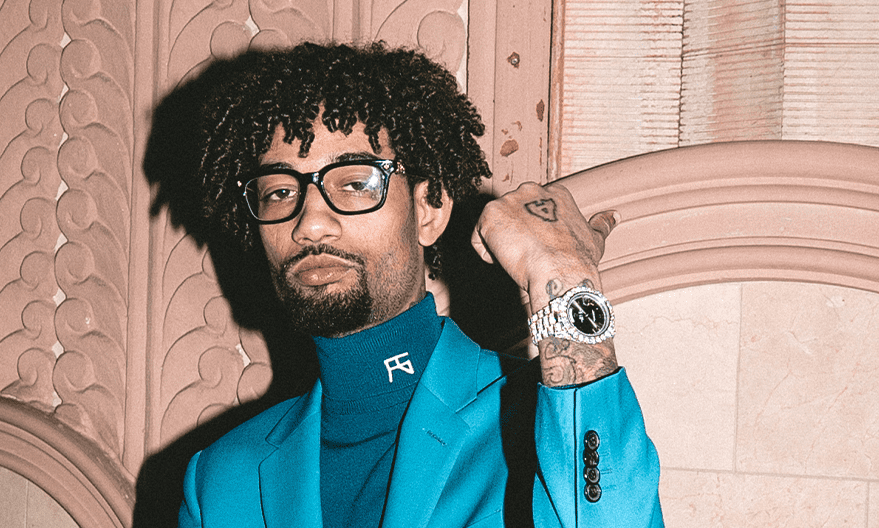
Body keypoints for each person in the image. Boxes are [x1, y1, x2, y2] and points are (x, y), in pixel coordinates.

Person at [173, 41, 663, 527]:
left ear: (430, 208)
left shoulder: (545, 422)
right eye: (280, 191)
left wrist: (564, 275)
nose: (311, 224)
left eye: (356, 183)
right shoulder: (218, 482)